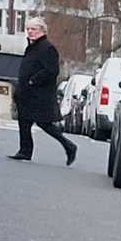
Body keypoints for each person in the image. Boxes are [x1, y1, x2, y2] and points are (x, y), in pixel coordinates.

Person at [11, 18, 74, 164]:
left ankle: (69, 146)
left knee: (45, 124)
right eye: (28, 29)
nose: (30, 32)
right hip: (27, 93)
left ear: (42, 31)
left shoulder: (47, 48)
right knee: (24, 122)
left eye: (33, 29)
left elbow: (51, 71)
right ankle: (25, 151)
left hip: (39, 95)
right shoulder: (32, 47)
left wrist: (33, 80)